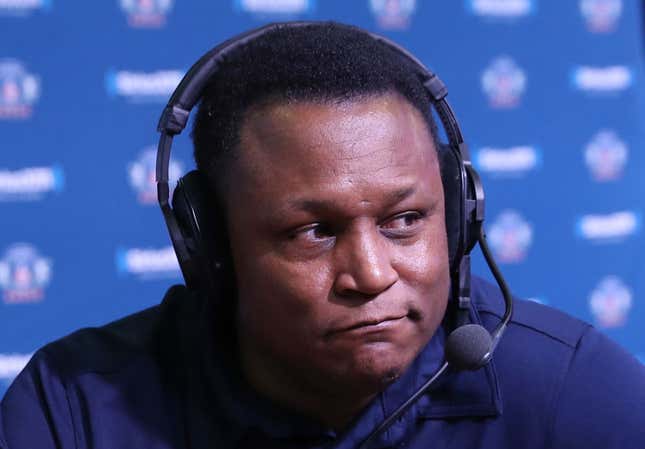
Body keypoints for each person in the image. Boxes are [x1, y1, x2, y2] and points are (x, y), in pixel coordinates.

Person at [1, 21, 644, 449]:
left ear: (458, 215)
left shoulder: (571, 392)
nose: (369, 274)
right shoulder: (75, 410)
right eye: (314, 231)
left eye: (404, 220)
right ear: (213, 248)